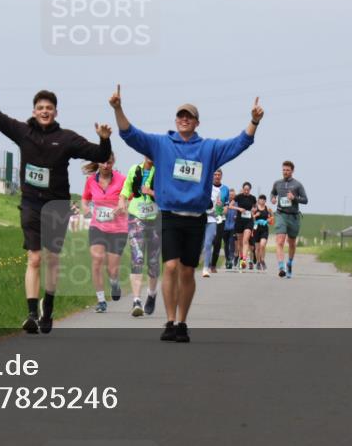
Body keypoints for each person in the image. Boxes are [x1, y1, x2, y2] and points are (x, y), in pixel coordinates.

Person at [0, 60, 112, 334]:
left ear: (56, 112)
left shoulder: (67, 139)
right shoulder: (23, 132)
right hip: (31, 202)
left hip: (56, 205)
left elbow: (100, 156)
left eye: (49, 108)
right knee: (34, 258)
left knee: (52, 260)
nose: (45, 111)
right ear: (34, 111)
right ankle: (32, 314)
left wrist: (104, 140)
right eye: (41, 108)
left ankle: (49, 310)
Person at [111, 85, 263, 343]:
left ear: (196, 122)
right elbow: (130, 134)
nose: (184, 119)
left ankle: (182, 321)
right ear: (176, 120)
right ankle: (170, 321)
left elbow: (240, 143)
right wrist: (117, 108)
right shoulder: (161, 144)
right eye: (181, 115)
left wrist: (254, 121)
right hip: (169, 215)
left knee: (186, 272)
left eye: (189, 116)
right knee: (170, 266)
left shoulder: (208, 148)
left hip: (196, 218)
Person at [81, 154, 128, 313]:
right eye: (103, 162)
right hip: (98, 226)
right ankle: (101, 300)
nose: (106, 165)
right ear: (98, 163)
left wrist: (123, 205)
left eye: (109, 162)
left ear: (113, 163)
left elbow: (129, 198)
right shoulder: (91, 181)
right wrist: (86, 208)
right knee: (97, 259)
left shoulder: (122, 179)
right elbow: (85, 199)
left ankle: (114, 282)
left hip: (118, 229)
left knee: (112, 269)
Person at [120, 157, 160, 315]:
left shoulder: (162, 171)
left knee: (153, 262)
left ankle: (151, 294)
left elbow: (167, 195)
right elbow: (125, 190)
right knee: (137, 258)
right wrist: (122, 200)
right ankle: (136, 300)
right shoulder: (134, 170)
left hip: (156, 219)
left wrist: (150, 192)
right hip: (136, 218)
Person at [271, 160, 308, 278]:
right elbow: (272, 193)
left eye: (287, 170)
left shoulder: (297, 184)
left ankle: (290, 263)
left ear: (292, 171)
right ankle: (281, 267)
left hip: (293, 217)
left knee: (291, 243)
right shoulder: (277, 183)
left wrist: (294, 198)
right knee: (280, 241)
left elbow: (305, 200)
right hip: (281, 214)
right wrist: (272, 198)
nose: (285, 172)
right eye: (284, 170)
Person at [199, 170, 229, 278]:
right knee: (200, 244)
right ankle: (198, 261)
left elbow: (226, 206)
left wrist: (221, 209)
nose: (216, 176)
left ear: (221, 176)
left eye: (218, 175)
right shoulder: (205, 186)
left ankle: (206, 268)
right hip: (202, 217)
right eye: (215, 174)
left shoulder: (224, 189)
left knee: (210, 243)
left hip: (214, 218)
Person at [232, 182, 257, 270]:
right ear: (243, 189)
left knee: (245, 240)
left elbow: (255, 207)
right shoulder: (238, 197)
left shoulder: (253, 198)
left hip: (249, 221)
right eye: (245, 189)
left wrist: (254, 210)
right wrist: (239, 208)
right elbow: (230, 206)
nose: (246, 191)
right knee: (240, 242)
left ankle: (243, 260)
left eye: (248, 190)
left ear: (250, 190)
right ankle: (241, 256)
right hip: (239, 221)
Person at [253, 194, 271, 271]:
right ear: (258, 200)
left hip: (264, 229)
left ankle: (262, 260)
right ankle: (258, 262)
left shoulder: (268, 209)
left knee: (262, 245)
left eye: (264, 199)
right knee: (257, 248)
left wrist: (268, 220)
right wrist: (255, 215)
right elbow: (250, 219)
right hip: (256, 229)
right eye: (261, 199)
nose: (262, 200)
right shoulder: (254, 209)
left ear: (265, 201)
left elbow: (272, 218)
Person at [221, 191, 238, 270]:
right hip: (224, 227)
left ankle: (230, 259)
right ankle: (227, 259)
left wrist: (236, 216)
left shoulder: (237, 204)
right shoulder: (225, 203)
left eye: (233, 195)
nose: (231, 196)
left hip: (233, 227)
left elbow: (239, 213)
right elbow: (221, 212)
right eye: (230, 195)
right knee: (226, 244)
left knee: (232, 243)